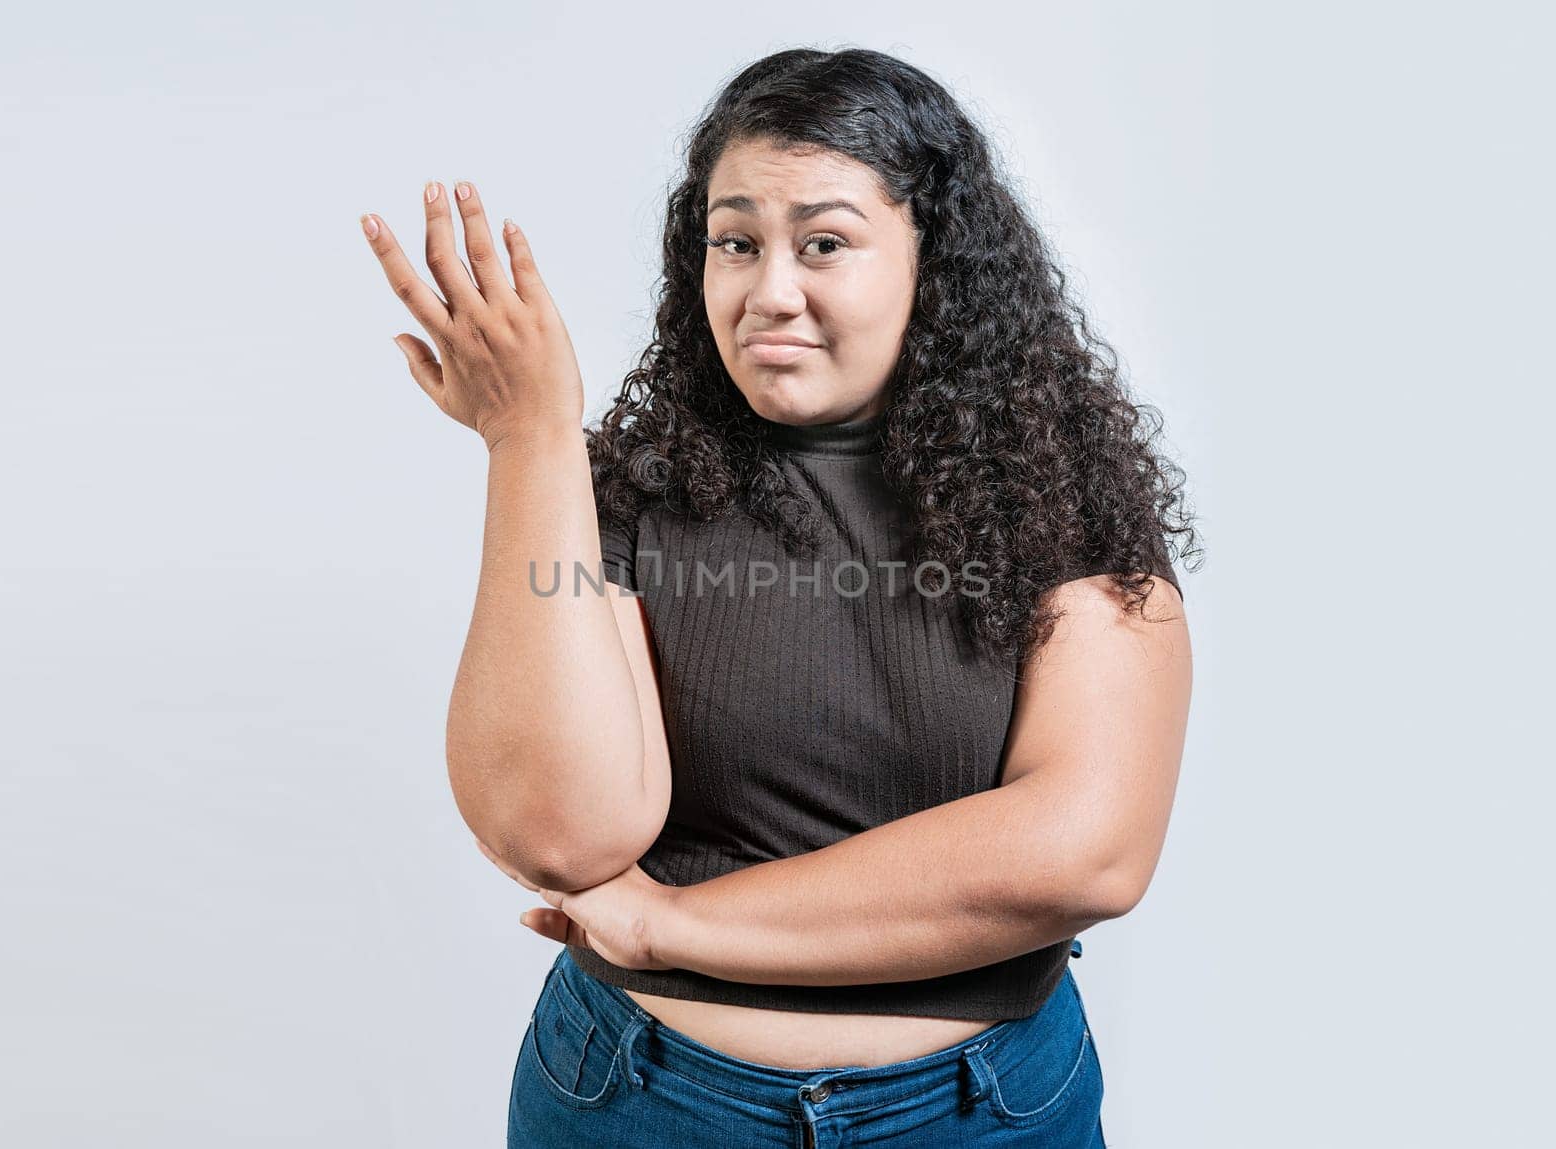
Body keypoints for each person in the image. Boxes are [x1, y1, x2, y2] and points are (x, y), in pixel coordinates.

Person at [363, 45, 1196, 1149]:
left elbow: (1085, 849)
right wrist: (529, 440)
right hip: (638, 1102)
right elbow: (558, 832)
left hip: (977, 1116)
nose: (769, 291)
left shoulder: (1063, 496)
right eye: (736, 242)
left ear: (930, 260)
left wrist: (673, 925)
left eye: (824, 243)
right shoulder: (626, 491)